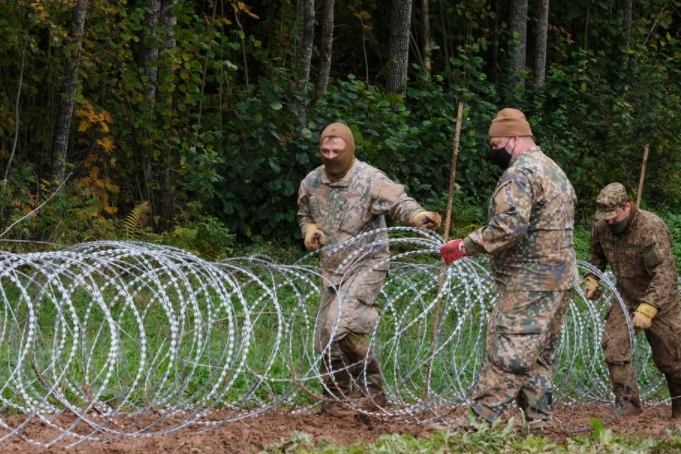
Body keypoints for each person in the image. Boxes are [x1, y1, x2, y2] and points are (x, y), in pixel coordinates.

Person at [440, 108, 578, 425]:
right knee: (538, 355)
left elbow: (508, 227)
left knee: (510, 350)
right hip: (560, 277)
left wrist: (464, 246)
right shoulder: (554, 170)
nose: (494, 151)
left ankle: (477, 423)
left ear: (514, 139)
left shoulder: (521, 174)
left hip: (530, 279)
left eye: (496, 144)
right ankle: (539, 422)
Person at [297, 122, 441, 414]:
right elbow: (304, 213)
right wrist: (309, 230)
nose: (330, 155)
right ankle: (336, 398)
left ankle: (371, 392)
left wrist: (419, 216)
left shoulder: (369, 178)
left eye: (337, 150)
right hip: (332, 267)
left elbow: (400, 203)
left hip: (367, 264)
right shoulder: (311, 181)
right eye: (325, 150)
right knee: (326, 335)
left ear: (349, 149)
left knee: (340, 321)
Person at [584, 182, 681, 419]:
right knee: (614, 349)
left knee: (672, 360)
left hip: (661, 300)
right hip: (625, 295)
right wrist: (592, 279)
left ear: (627, 206)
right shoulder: (601, 227)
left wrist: (648, 309)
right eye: (605, 218)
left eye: (614, 217)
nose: (609, 222)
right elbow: (596, 254)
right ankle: (628, 406)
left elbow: (664, 274)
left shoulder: (650, 228)